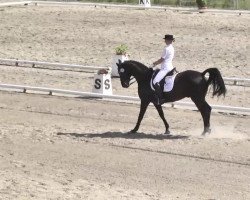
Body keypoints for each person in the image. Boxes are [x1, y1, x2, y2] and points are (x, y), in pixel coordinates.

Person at [152, 34, 175, 105]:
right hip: (170, 67)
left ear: (168, 40)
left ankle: (161, 98)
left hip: (165, 68)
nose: (164, 41)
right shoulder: (172, 48)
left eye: (165, 39)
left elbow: (162, 60)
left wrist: (154, 64)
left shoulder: (166, 48)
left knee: (155, 81)